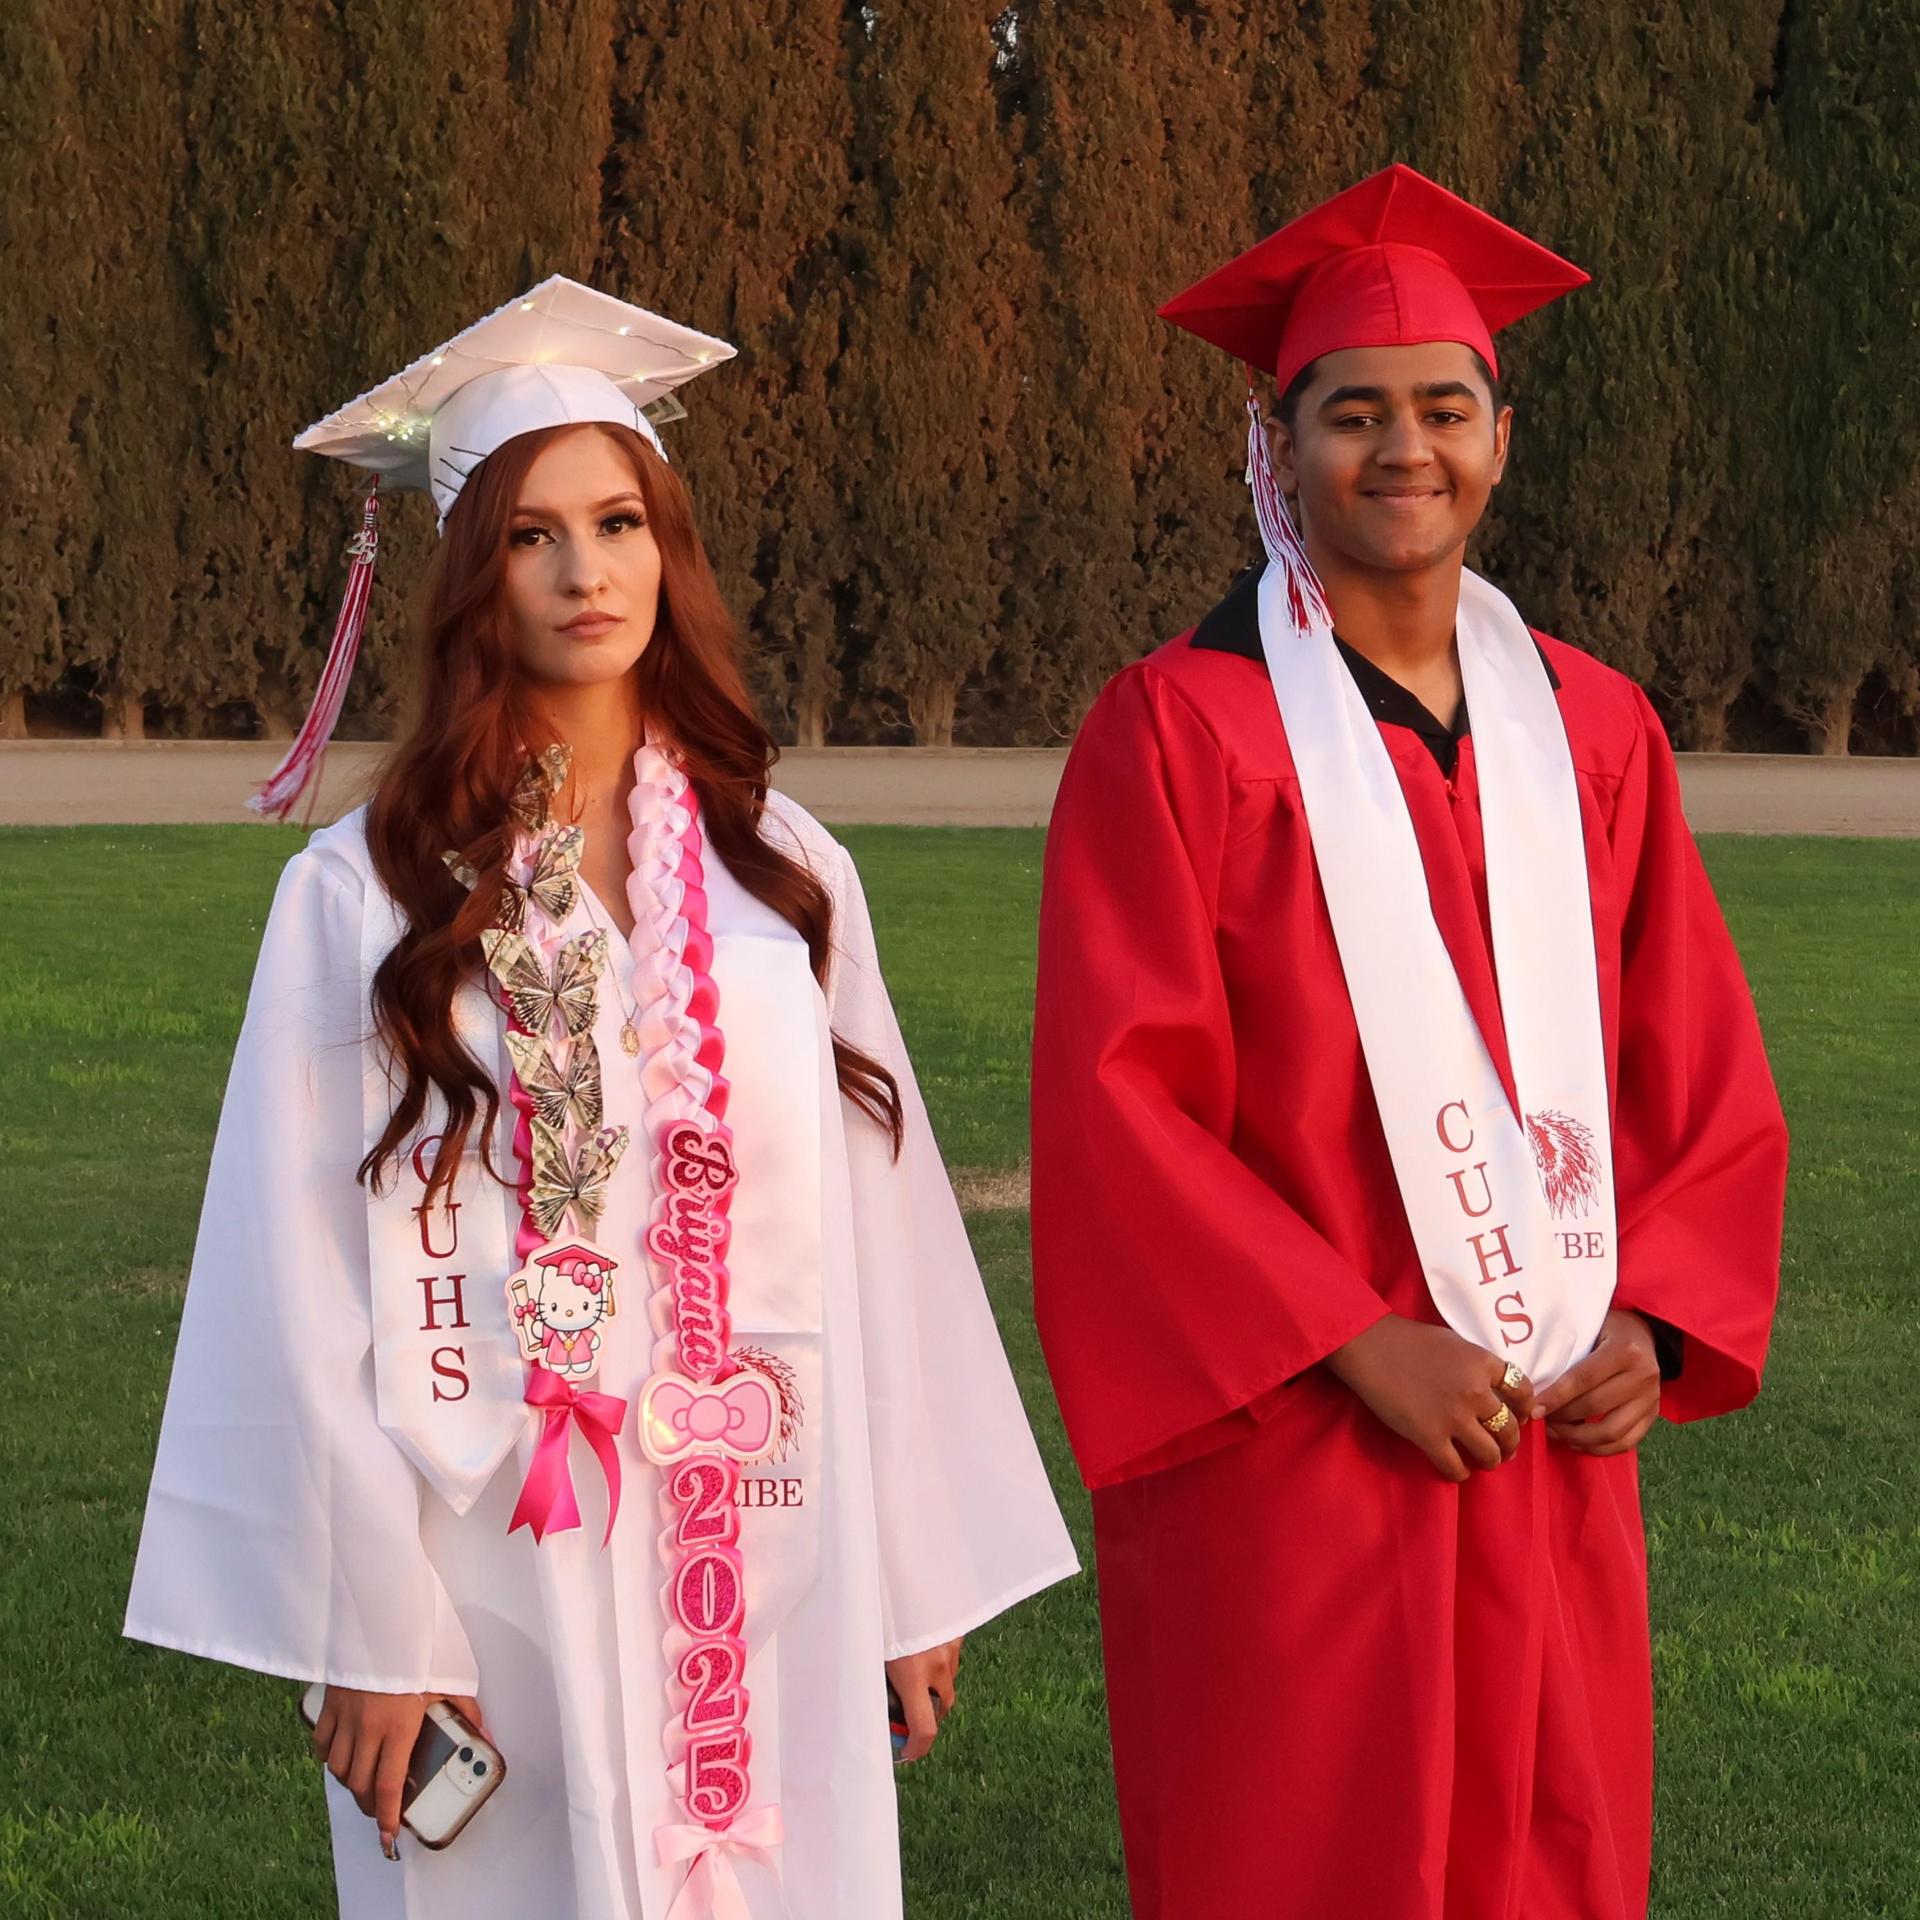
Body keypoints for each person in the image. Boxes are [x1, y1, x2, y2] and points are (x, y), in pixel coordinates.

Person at [126, 277, 1076, 1920]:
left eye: (620, 522)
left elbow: (886, 1235)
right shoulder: (365, 899)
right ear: (467, 575)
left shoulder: (784, 873)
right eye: (531, 534)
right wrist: (366, 1626)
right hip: (491, 1552)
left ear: (669, 550)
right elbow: (293, 1277)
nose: (585, 572)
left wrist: (916, 1573)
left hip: (757, 1524)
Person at [1030, 166, 1787, 1919]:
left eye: (1445, 409)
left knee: (1544, 1849)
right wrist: (1357, 1338)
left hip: (1544, 1447)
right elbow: (1117, 1106)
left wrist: (1654, 1322)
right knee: (1303, 1850)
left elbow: (1702, 1070)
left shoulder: (1593, 732)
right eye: (1351, 413)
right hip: (1298, 1450)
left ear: (1502, 439)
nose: (1403, 450)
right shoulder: (1179, 732)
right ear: (1275, 445)